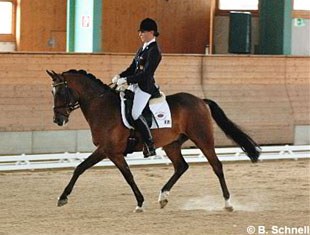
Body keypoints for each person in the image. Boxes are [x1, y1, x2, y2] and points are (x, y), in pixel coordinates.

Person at [112, 18, 162, 157]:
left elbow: (146, 74)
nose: (140, 34)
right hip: (134, 85)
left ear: (151, 32)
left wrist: (127, 80)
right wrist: (120, 76)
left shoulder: (154, 51)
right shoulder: (142, 49)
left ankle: (150, 145)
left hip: (145, 88)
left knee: (135, 113)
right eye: (140, 32)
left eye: (143, 31)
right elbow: (132, 68)